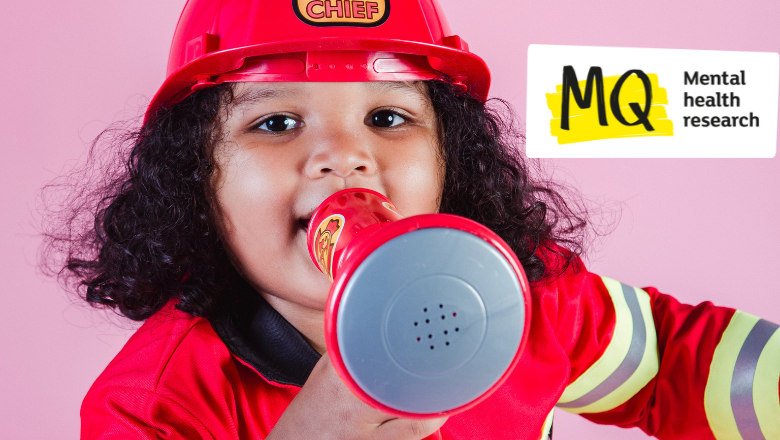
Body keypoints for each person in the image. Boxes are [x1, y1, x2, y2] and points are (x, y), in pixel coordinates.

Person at [43, 0, 780, 439]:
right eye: (275, 125)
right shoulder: (154, 404)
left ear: (449, 161)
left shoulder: (533, 300)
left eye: (388, 116)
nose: (342, 155)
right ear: (195, 181)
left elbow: (681, 366)